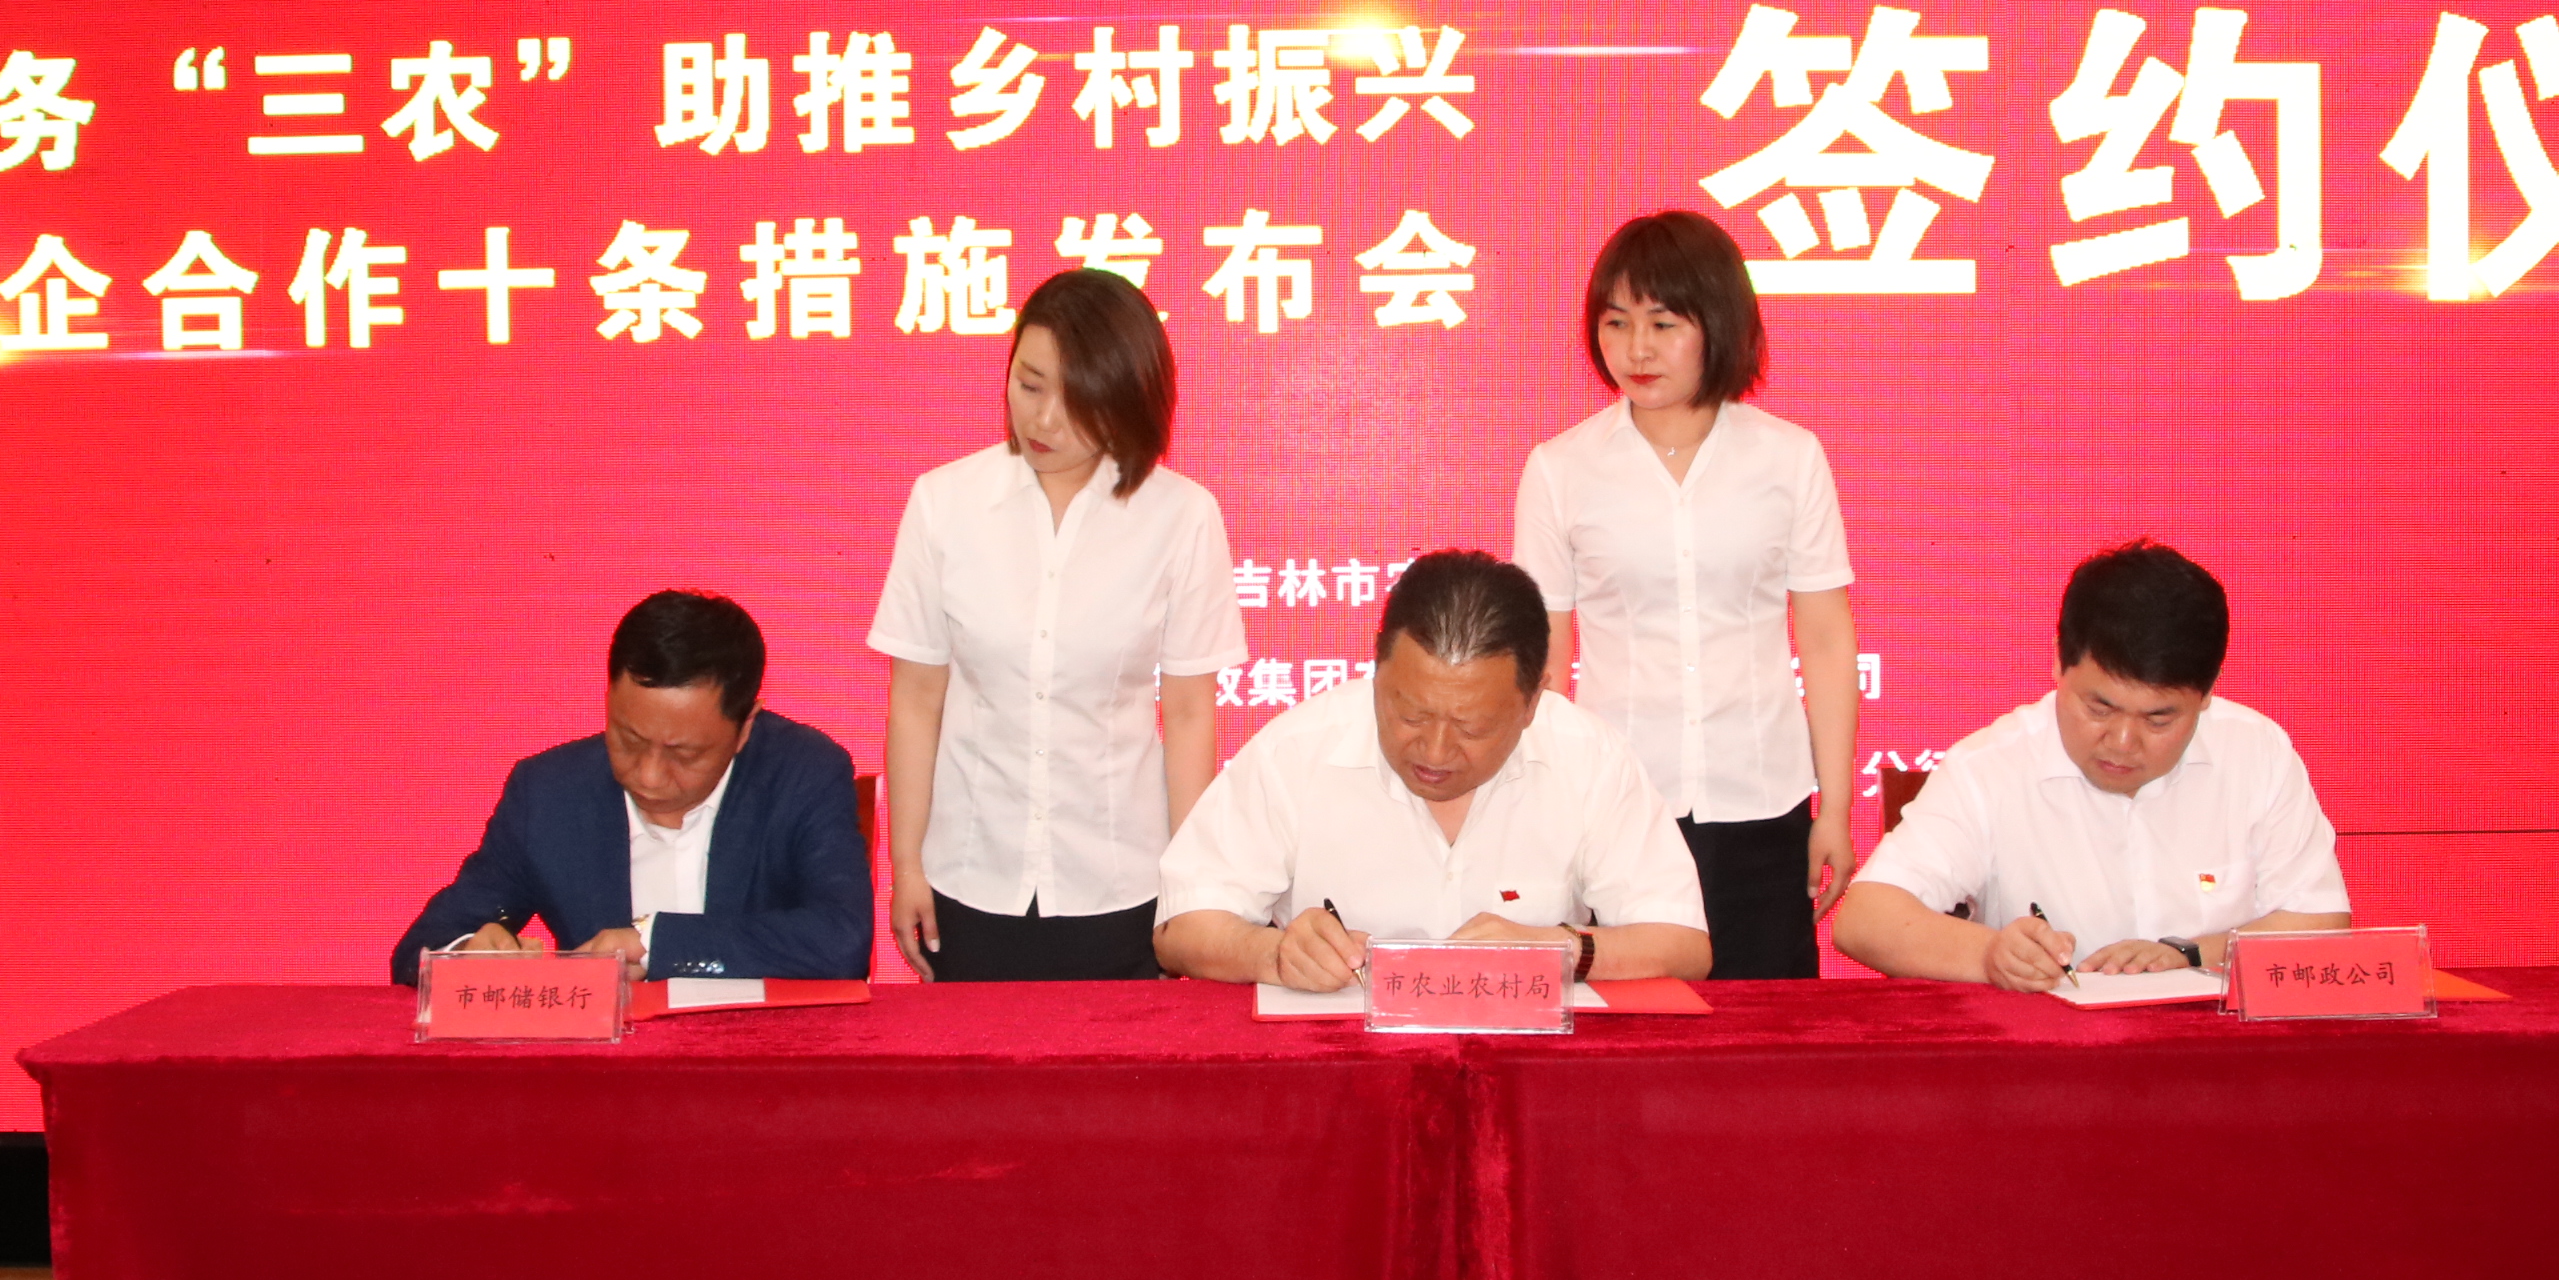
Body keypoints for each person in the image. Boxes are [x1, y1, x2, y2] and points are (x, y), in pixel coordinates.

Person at [1512, 209, 1859, 979]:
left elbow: (1827, 640)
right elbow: (1545, 665)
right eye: (1616, 322)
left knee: (1767, 1031)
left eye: (1663, 324)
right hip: (1618, 805)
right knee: (1631, 1029)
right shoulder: (1560, 469)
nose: (1636, 349)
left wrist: (1833, 809)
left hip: (1763, 799)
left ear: (1718, 324)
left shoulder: (1790, 457)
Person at [868, 268, 1242, 981]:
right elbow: (916, 700)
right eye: (1030, 385)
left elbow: (1190, 714)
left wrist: (1190, 890)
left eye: (1077, 402)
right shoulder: (944, 503)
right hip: (968, 877)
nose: (1043, 421)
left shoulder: (1182, 516)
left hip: (1122, 881)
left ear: (1126, 399)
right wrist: (907, 866)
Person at [1156, 551, 1712, 991]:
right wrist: (1275, 955)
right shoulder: (1296, 750)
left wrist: (1562, 949)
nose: (1436, 752)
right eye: (1410, 716)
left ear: (1532, 702)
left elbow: (1684, 944)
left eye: (1472, 727)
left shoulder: (1588, 756)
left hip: (1529, 1063)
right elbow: (1182, 926)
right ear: (1377, 674)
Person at [1833, 541, 2349, 991]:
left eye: (2159, 718)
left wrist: (2190, 955)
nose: (2122, 743)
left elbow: (2320, 919)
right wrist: (1990, 956)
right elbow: (1865, 918)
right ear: (2059, 661)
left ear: (2208, 692)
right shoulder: (1991, 767)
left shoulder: (2256, 751)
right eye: (2099, 708)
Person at [391, 589, 872, 987]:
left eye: (685, 754)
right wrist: (467, 956)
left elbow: (840, 942)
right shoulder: (549, 793)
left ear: (746, 726)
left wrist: (654, 944)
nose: (649, 775)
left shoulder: (802, 773)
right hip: (604, 1068)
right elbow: (420, 951)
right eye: (629, 740)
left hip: (757, 1060)